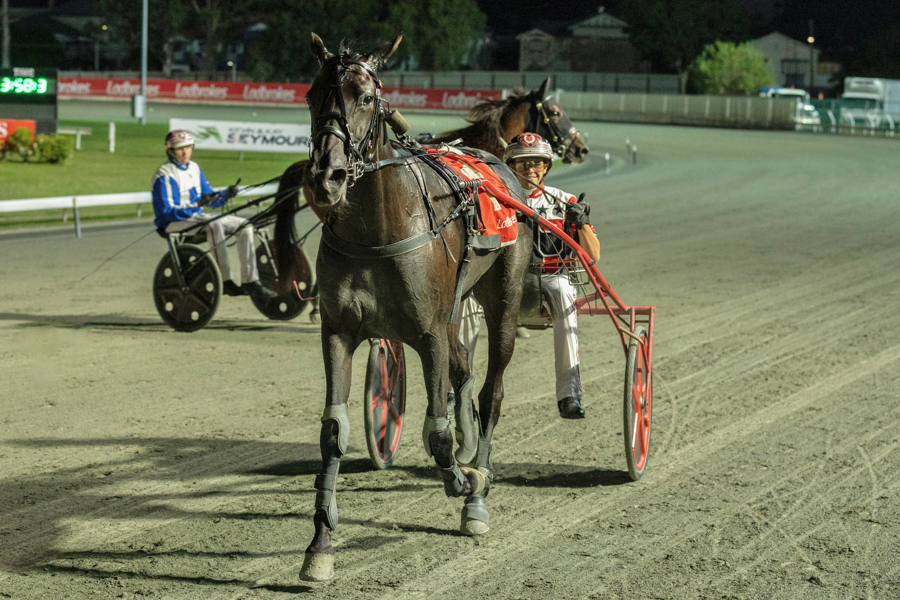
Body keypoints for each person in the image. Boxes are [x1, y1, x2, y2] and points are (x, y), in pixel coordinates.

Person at [152, 130, 276, 301]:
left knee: (245, 225)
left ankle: (250, 281)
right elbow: (167, 212)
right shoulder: (164, 175)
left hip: (195, 217)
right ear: (170, 151)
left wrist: (226, 195)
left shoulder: (194, 168)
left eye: (188, 147)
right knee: (213, 224)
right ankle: (224, 280)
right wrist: (197, 205)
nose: (185, 152)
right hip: (173, 222)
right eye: (180, 148)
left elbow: (210, 199)